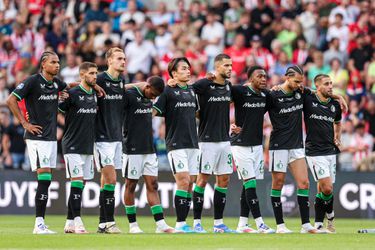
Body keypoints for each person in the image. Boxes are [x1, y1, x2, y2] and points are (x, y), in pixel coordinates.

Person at [6, 51, 69, 234]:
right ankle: (38, 224)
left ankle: (41, 223)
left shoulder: (56, 83)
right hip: (37, 137)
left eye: (58, 62)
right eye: (53, 62)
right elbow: (11, 100)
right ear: (43, 64)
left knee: (47, 180)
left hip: (49, 138)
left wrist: (67, 93)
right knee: (44, 178)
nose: (57, 65)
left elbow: (69, 87)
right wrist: (25, 123)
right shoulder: (33, 81)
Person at [267, 65, 321, 234]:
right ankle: (280, 226)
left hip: (296, 145)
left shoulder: (301, 92)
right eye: (296, 81)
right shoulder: (273, 94)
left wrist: (338, 96)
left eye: (301, 82)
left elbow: (318, 93)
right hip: (278, 145)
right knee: (278, 184)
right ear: (287, 77)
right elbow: (255, 109)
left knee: (304, 183)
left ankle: (305, 225)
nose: (299, 84)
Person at [122, 76, 175, 233]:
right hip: (132, 149)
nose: (154, 98)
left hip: (149, 148)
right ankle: (133, 225)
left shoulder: (150, 97)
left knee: (153, 185)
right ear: (146, 87)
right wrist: (136, 83)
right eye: (153, 94)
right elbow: (117, 89)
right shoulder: (130, 95)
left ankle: (160, 224)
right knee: (130, 185)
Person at [153, 57, 200, 233]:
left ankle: (184, 223)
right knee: (183, 181)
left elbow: (197, 115)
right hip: (176, 143)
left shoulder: (192, 91)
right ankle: (180, 224)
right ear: (174, 73)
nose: (188, 71)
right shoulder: (167, 91)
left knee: (190, 184)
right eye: (183, 69)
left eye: (188, 68)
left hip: (193, 143)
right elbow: (154, 111)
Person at [191, 54, 235, 233]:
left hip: (225, 140)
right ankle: (197, 223)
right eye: (226, 65)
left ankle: (218, 223)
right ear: (217, 68)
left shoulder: (228, 86)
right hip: (207, 140)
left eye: (231, 65)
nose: (230, 68)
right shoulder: (204, 84)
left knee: (223, 180)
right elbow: (186, 90)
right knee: (201, 180)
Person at [230, 66, 274, 234]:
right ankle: (260, 223)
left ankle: (242, 224)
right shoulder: (239, 91)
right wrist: (229, 125)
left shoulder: (266, 95)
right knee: (251, 183)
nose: (263, 79)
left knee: (247, 185)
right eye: (259, 76)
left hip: (257, 145)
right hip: (240, 145)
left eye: (265, 76)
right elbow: (218, 104)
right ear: (250, 78)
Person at [60, 62, 98, 234]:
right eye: (91, 73)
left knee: (80, 184)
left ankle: (69, 222)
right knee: (77, 181)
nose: (95, 76)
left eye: (96, 73)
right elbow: (59, 110)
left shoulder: (96, 94)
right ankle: (78, 221)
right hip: (72, 144)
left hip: (87, 146)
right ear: (82, 75)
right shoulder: (73, 94)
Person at [303, 74, 342, 233]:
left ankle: (319, 223)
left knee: (323, 189)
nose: (330, 86)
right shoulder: (308, 100)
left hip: (330, 150)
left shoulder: (335, 105)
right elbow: (299, 88)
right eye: (326, 84)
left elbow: (338, 123)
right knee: (327, 189)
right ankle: (331, 215)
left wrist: (337, 137)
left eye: (331, 83)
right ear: (317, 86)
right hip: (314, 151)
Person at [95, 47, 126, 234]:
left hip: (116, 138)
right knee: (112, 180)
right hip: (101, 138)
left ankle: (101, 223)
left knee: (106, 182)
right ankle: (110, 222)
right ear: (109, 61)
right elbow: (80, 84)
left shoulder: (122, 82)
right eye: (119, 58)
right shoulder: (98, 79)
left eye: (124, 58)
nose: (123, 61)